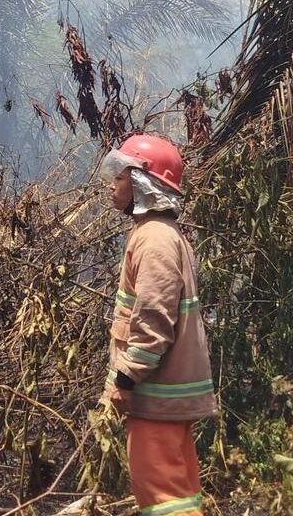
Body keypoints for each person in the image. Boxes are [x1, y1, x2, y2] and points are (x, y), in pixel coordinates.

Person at [100, 134, 218, 516]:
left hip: (156, 392)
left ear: (141, 183)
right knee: (181, 494)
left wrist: (126, 378)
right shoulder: (156, 235)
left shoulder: (153, 240)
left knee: (163, 500)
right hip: (164, 394)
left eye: (120, 178)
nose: (112, 186)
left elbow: (153, 320)